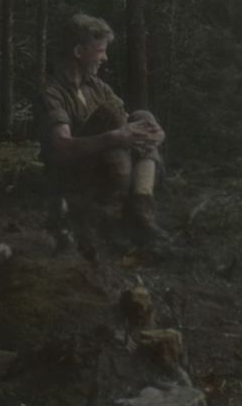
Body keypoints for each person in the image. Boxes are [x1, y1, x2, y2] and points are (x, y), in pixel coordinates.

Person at [38, 13, 168, 254]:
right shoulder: (52, 92)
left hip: (107, 166)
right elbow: (62, 147)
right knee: (111, 115)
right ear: (78, 51)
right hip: (72, 176)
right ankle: (113, 212)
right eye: (100, 51)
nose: (105, 58)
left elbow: (131, 124)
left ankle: (141, 210)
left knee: (142, 116)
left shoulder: (99, 87)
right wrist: (116, 137)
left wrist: (154, 133)